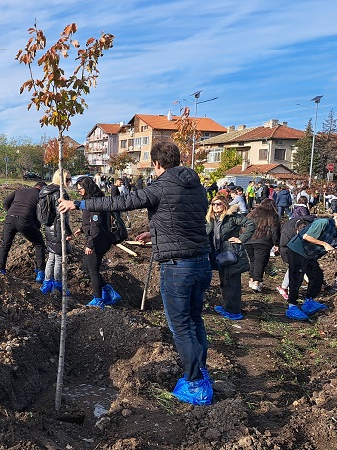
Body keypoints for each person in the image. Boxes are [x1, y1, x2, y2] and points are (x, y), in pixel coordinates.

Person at [58, 141, 213, 406]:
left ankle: (195, 382)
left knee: (181, 326)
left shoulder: (160, 186)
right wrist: (154, 234)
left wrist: (79, 203)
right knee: (195, 319)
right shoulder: (197, 188)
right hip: (201, 262)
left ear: (156, 164)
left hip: (177, 267)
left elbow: (121, 201)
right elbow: (183, 222)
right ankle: (200, 371)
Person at [281, 210, 337, 320]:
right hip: (298, 250)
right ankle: (292, 306)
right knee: (297, 277)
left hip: (310, 255)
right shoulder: (323, 223)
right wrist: (325, 244)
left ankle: (309, 301)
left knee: (317, 276)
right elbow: (306, 237)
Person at [206, 194, 255, 320]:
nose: (216, 206)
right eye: (213, 204)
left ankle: (234, 311)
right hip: (219, 254)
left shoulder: (232, 217)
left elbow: (250, 224)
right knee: (224, 281)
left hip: (231, 253)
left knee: (232, 282)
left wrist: (241, 239)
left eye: (219, 204)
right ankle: (227, 306)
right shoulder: (211, 219)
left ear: (224, 205)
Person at [72, 177, 120, 307]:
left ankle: (98, 299)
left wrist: (90, 244)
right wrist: (82, 229)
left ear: (87, 188)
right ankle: (110, 292)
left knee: (92, 269)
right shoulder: (90, 201)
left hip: (99, 240)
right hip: (97, 238)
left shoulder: (95, 202)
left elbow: (96, 225)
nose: (79, 192)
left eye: (81, 189)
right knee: (87, 267)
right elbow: (91, 222)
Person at [0, 182, 47, 280]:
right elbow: (40, 214)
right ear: (42, 188)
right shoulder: (40, 196)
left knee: (5, 244)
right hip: (25, 220)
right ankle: (40, 272)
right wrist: (36, 226)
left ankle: (0, 269)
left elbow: (5, 202)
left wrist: (11, 212)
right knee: (39, 243)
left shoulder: (20, 190)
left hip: (9, 219)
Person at [39, 169, 74, 295]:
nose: (69, 182)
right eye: (67, 179)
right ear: (61, 179)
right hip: (58, 230)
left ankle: (47, 283)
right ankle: (58, 285)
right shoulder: (60, 193)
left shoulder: (45, 191)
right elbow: (61, 216)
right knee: (59, 258)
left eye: (70, 179)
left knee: (51, 257)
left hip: (49, 228)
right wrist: (68, 232)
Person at [245, 199, 280, 293]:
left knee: (253, 261)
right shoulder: (273, 216)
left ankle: (251, 279)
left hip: (248, 240)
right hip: (263, 241)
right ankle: (257, 282)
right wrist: (277, 243)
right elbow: (274, 231)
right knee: (260, 262)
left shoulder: (253, 214)